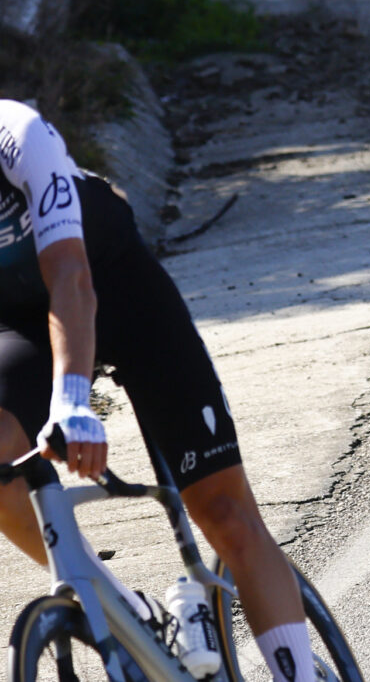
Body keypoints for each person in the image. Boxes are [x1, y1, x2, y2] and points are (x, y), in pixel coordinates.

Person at [0, 99, 316, 681]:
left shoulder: (17, 134)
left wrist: (71, 401)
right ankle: (124, 609)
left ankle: (294, 670)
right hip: (20, 322)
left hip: (116, 288)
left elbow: (71, 276)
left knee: (224, 511)